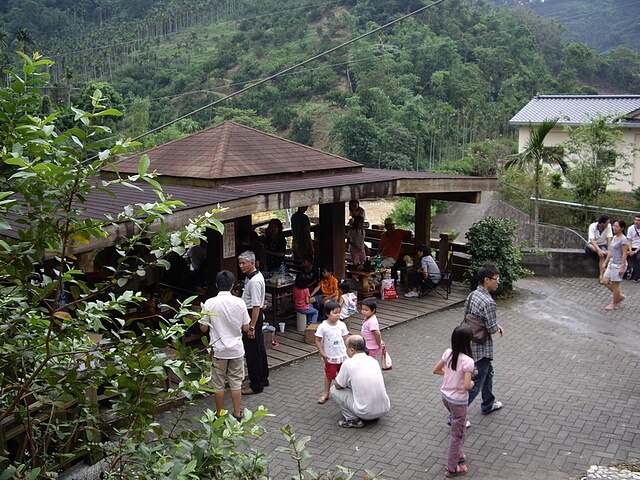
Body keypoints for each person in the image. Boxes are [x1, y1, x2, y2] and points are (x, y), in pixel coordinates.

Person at [199, 270, 251, 420]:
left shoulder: (209, 303)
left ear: (216, 285)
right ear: (232, 285)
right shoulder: (240, 302)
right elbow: (246, 327)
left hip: (218, 350)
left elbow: (203, 328)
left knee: (218, 384)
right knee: (236, 382)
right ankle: (237, 412)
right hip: (236, 349)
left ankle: (220, 414)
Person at [433, 325, 476, 478]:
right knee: (456, 434)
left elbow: (436, 370)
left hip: (445, 397)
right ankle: (452, 467)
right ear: (468, 342)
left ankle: (458, 454)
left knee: (459, 427)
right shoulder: (468, 361)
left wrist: (450, 377)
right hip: (458, 401)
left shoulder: (448, 353)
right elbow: (466, 385)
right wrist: (472, 383)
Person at [466, 263, 505, 416]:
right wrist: (497, 327)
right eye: (496, 279)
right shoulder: (489, 302)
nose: (498, 282)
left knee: (488, 373)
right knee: (475, 383)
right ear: (486, 280)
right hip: (482, 348)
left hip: (470, 342)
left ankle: (488, 404)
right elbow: (491, 328)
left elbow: (468, 316)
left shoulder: (473, 295)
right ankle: (455, 415)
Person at [330, 335, 391, 428]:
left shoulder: (348, 364)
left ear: (352, 350)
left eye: (346, 348)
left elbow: (339, 385)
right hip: (384, 409)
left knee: (334, 390)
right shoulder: (373, 361)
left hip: (365, 412)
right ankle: (373, 414)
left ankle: (352, 419)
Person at [238, 250, 269, 395]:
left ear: (252, 263)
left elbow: (257, 306)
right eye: (240, 263)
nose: (241, 266)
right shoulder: (252, 277)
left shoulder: (255, 281)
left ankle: (256, 384)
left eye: (244, 263)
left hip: (253, 316)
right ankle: (263, 377)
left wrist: (251, 327)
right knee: (259, 348)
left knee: (252, 351)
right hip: (254, 314)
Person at [314, 300, 349, 404]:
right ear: (327, 313)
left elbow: (346, 339)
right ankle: (326, 393)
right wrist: (322, 353)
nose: (338, 315)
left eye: (339, 312)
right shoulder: (323, 326)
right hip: (330, 357)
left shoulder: (342, 325)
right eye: (335, 313)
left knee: (345, 375)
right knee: (329, 375)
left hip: (343, 355)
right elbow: (317, 340)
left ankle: (346, 392)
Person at [602, 220, 628, 311]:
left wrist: (622, 266)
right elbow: (610, 251)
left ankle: (615, 303)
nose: (614, 228)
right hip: (612, 263)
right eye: (614, 226)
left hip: (618, 264)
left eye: (617, 226)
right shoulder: (614, 237)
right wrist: (605, 261)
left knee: (615, 284)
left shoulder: (623, 239)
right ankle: (619, 296)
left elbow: (624, 254)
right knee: (605, 281)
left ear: (622, 228)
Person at [585, 214, 613, 283]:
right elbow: (591, 239)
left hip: (602, 244)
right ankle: (602, 252)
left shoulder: (608, 226)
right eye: (607, 222)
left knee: (601, 256)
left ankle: (601, 276)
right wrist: (599, 250)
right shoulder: (592, 226)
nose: (608, 224)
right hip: (593, 245)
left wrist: (609, 249)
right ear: (602, 223)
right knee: (589, 246)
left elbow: (609, 238)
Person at [626, 215, 640, 282]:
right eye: (635, 220)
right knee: (625, 254)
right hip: (631, 246)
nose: (636, 222)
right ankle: (626, 273)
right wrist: (630, 250)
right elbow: (629, 240)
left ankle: (636, 276)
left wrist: (636, 251)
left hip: (638, 248)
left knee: (638, 258)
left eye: (638, 220)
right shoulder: (630, 228)